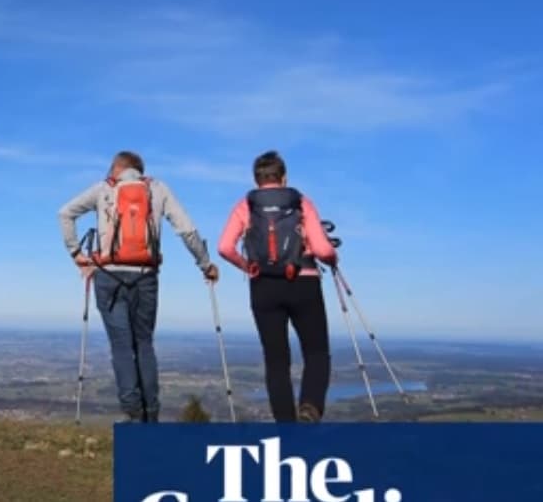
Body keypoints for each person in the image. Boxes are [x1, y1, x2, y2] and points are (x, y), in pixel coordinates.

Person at [58, 150, 219, 423]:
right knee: (144, 344)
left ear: (116, 169)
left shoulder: (103, 189)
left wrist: (76, 254)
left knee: (121, 346)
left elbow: (65, 213)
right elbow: (187, 230)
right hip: (146, 276)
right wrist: (205, 264)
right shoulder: (156, 189)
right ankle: (151, 413)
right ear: (140, 171)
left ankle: (133, 412)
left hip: (109, 277)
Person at [217, 150, 337, 423]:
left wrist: (247, 266)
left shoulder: (245, 205)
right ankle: (310, 406)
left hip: (263, 287)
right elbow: (321, 248)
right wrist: (332, 256)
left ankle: (286, 427)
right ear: (283, 178)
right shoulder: (300, 202)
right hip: (303, 282)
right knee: (316, 352)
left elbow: (224, 247)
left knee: (276, 361)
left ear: (257, 179)